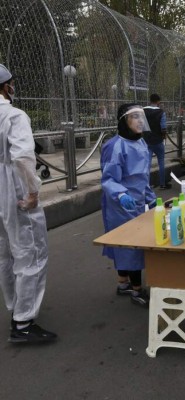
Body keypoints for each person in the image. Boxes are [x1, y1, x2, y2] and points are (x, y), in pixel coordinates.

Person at [0, 64, 57, 343]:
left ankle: (15, 306)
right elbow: (23, 156)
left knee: (5, 254)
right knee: (30, 252)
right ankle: (23, 323)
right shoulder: (13, 115)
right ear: (6, 86)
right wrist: (33, 192)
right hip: (12, 186)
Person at [100, 103, 156, 307]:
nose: (140, 121)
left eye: (142, 117)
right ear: (124, 121)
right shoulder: (115, 146)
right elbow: (108, 180)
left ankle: (122, 283)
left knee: (126, 244)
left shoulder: (141, 143)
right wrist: (121, 194)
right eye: (135, 117)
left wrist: (150, 197)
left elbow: (143, 176)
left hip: (138, 201)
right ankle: (137, 291)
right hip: (120, 204)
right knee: (131, 246)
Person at [143, 93, 171, 189]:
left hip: (147, 141)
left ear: (150, 100)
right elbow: (163, 128)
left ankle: (147, 185)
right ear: (158, 101)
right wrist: (164, 136)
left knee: (147, 164)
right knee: (161, 162)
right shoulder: (161, 112)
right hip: (158, 141)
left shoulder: (143, 111)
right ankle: (162, 184)